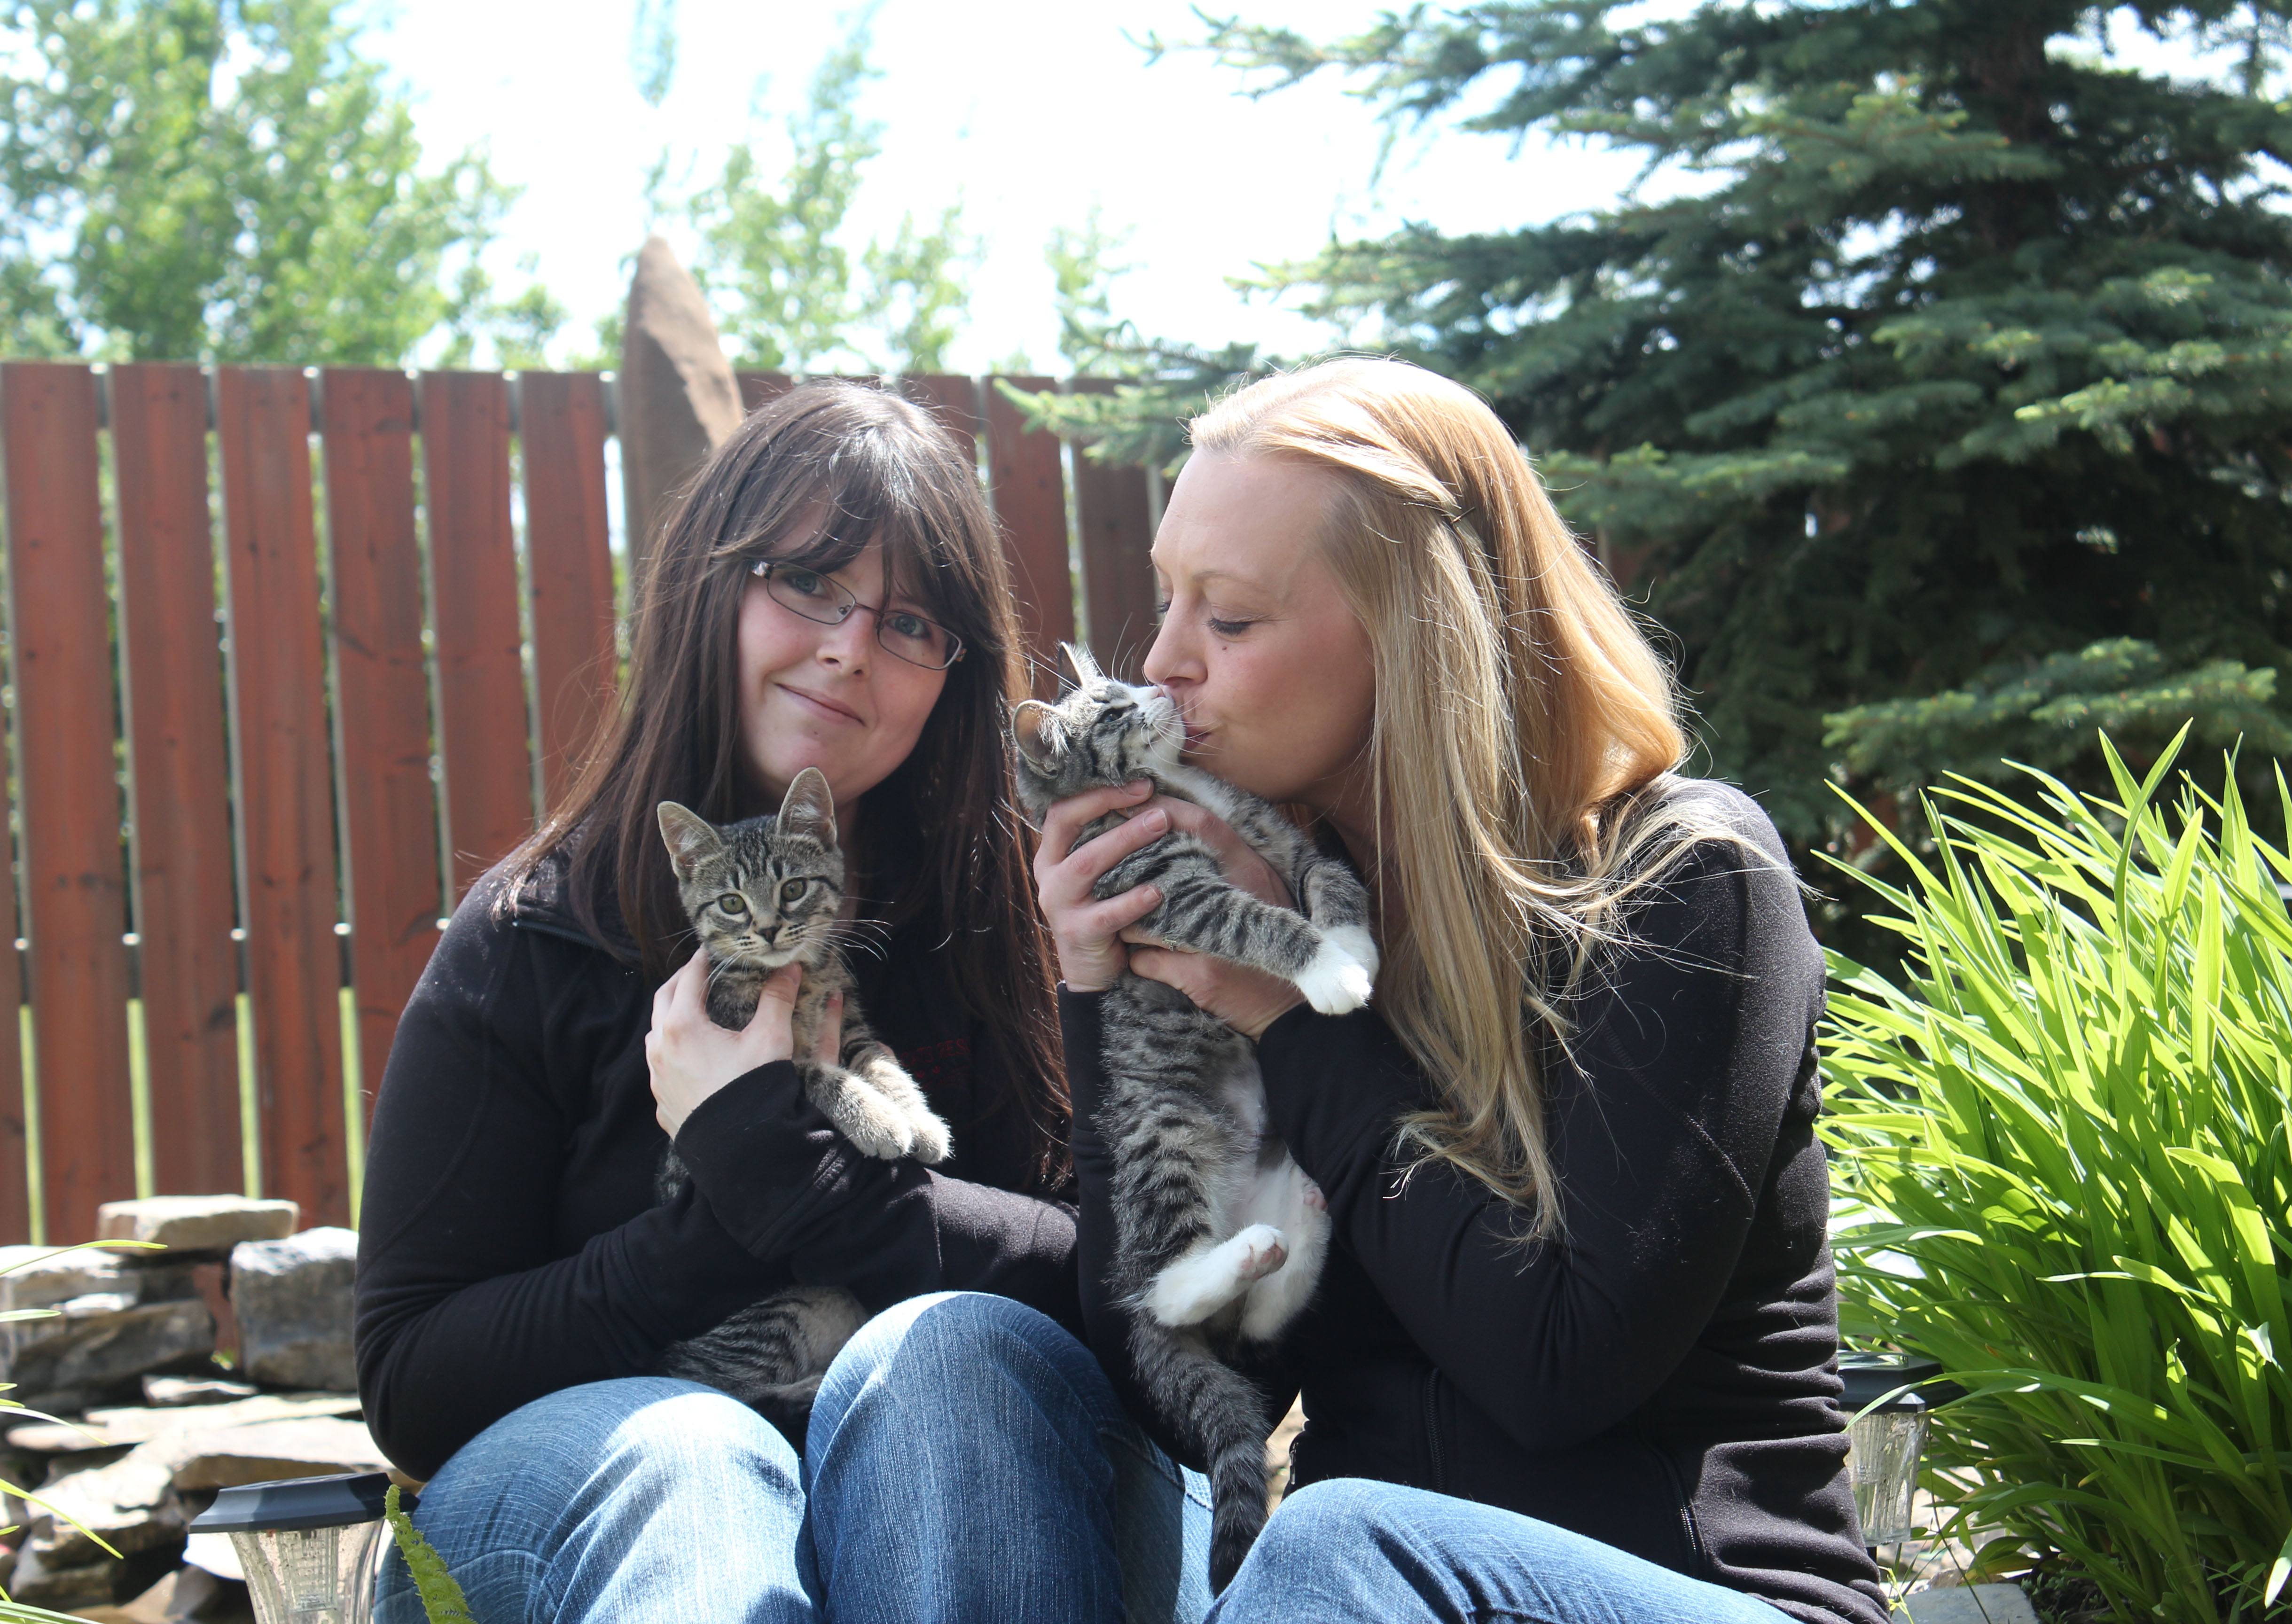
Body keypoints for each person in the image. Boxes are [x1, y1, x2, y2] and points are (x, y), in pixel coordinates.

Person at [1032, 358, 1891, 1624]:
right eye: (1165, 601)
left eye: (1229, 618)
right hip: (1371, 1595)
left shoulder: (1687, 881)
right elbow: (1189, 1389)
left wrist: (1285, 1023)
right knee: (980, 1359)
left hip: (1704, 1592)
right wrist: (1112, 998)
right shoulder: (1283, 921)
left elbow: (1558, 1369)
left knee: (1331, 1544)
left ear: (1416, 631)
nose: (1161, 664)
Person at [355, 382, 1205, 1624]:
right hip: (608, 1504)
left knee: (957, 1362)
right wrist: (707, 1239)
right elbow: (415, 1384)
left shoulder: (1028, 927)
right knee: (693, 1464)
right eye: (809, 582)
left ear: (950, 674)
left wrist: (791, 1171)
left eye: (910, 622)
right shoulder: (538, 934)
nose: (850, 647)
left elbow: (1157, 1321)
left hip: (984, 1485)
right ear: (713, 587)